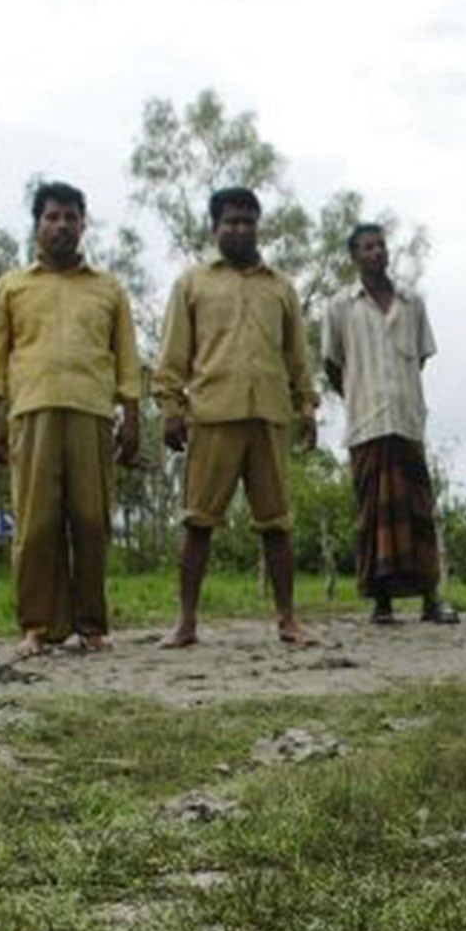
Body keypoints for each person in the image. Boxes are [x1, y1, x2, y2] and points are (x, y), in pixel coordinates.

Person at [0, 180, 142, 659]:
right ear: (37, 225)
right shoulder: (11, 287)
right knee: (36, 523)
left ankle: (93, 625)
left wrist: (131, 417)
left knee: (91, 521)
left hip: (93, 412)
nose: (62, 225)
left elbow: (128, 361)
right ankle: (36, 626)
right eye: (52, 217)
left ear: (83, 225)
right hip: (31, 413)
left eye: (71, 217)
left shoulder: (108, 288)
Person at [155, 188, 319, 649]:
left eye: (248, 221)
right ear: (214, 227)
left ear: (258, 226)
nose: (241, 229)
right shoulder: (192, 284)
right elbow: (173, 354)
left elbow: (296, 356)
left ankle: (288, 620)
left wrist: (306, 405)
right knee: (198, 522)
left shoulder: (280, 287)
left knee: (277, 524)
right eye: (231, 221)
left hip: (269, 415)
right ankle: (186, 622)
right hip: (212, 414)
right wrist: (171, 407)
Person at [323, 223, 455, 625]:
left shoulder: (412, 303)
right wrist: (360, 395)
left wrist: (400, 393)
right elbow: (332, 364)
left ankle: (431, 599)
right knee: (373, 516)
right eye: (367, 247)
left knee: (417, 512)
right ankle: (382, 603)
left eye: (381, 246)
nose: (377, 253)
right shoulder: (340, 306)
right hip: (366, 424)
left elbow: (421, 356)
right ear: (354, 256)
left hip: (407, 420)